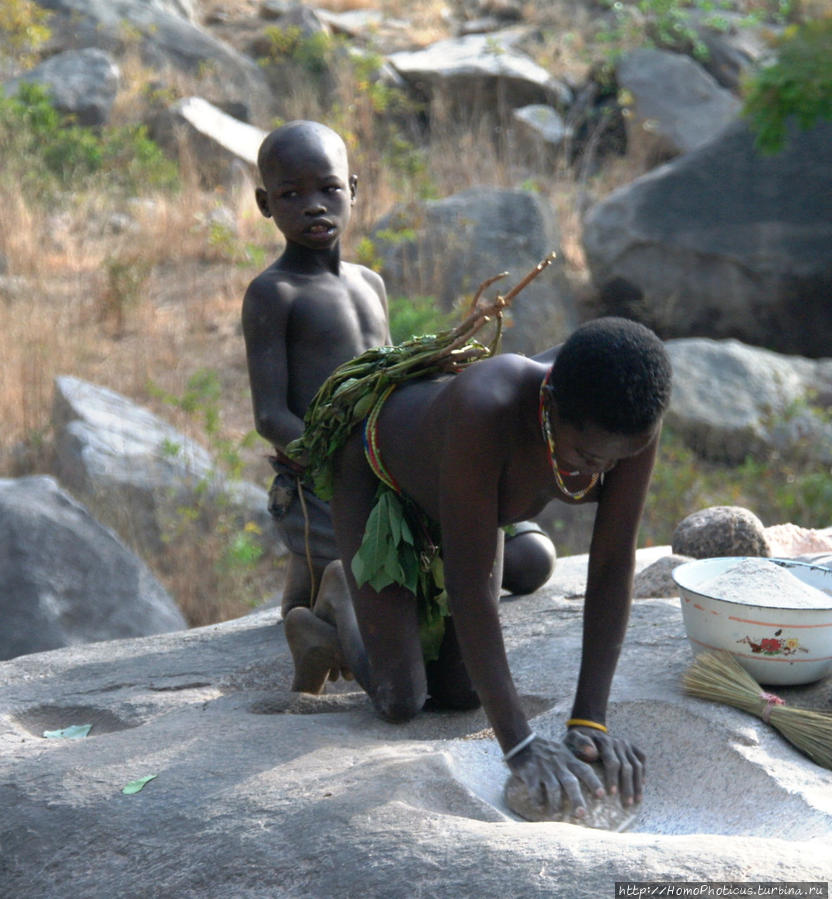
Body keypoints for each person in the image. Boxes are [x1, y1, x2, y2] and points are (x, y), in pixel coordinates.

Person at [288, 316, 673, 817]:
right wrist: (518, 746)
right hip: (377, 472)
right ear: (551, 403)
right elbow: (468, 587)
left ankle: (373, 605)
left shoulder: (630, 418)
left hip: (473, 503)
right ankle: (341, 601)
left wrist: (590, 723)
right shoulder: (486, 409)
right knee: (400, 698)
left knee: (464, 691)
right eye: (585, 455)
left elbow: (611, 563)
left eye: (617, 460)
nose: (599, 470)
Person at [242, 120, 555, 654]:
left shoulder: (370, 283)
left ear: (355, 190)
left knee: (529, 561)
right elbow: (270, 416)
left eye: (328, 188)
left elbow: (390, 384)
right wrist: (343, 464)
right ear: (265, 204)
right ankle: (323, 591)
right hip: (330, 478)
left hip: (394, 465)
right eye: (290, 195)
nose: (313, 205)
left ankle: (322, 585)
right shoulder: (275, 293)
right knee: (395, 596)